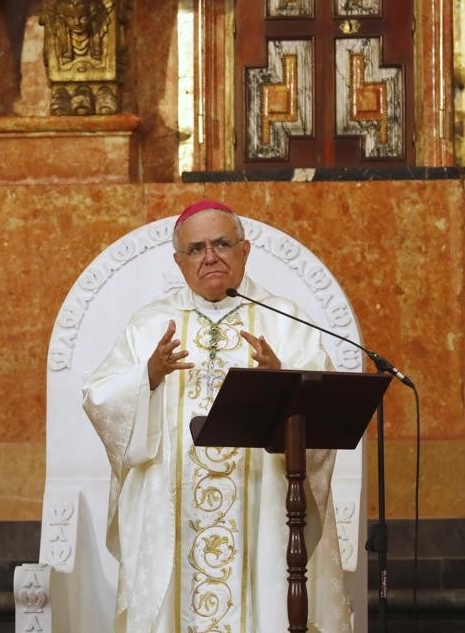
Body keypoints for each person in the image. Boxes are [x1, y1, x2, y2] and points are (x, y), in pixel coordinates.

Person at [82, 200, 352, 632]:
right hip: (171, 513)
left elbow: (324, 411)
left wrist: (282, 382)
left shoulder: (284, 321)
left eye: (222, 244)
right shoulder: (150, 324)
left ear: (244, 252)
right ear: (180, 261)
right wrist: (147, 377)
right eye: (196, 248)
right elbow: (99, 399)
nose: (210, 256)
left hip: (263, 504)